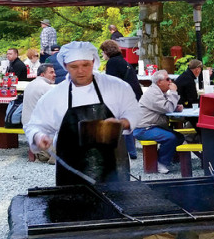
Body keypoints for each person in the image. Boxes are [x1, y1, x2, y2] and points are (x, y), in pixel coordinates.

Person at [24, 41, 141, 186]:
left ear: (93, 62)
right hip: (71, 169)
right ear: (65, 66)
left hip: (114, 167)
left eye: (85, 65)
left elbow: (134, 112)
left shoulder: (116, 87)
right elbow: (34, 125)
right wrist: (39, 136)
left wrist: (123, 123)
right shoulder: (54, 95)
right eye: (74, 66)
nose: (81, 71)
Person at [134, 69, 185, 174]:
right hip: (143, 128)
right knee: (171, 138)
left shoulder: (158, 91)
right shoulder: (153, 93)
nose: (170, 82)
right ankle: (161, 163)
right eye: (167, 79)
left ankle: (163, 159)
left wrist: (175, 107)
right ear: (159, 82)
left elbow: (165, 106)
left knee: (180, 137)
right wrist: (174, 92)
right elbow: (167, 108)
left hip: (151, 125)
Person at [100, 40, 144, 159]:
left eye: (103, 52)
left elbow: (112, 83)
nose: (102, 55)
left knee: (119, 122)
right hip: (134, 94)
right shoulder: (123, 61)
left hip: (122, 96)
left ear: (106, 51)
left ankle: (123, 151)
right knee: (126, 121)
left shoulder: (112, 63)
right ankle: (132, 151)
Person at [23, 63, 57, 162]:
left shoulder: (30, 84)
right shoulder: (46, 88)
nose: (54, 74)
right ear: (42, 74)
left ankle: (42, 153)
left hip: (28, 125)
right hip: (39, 127)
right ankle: (54, 157)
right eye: (51, 72)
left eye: (54, 72)